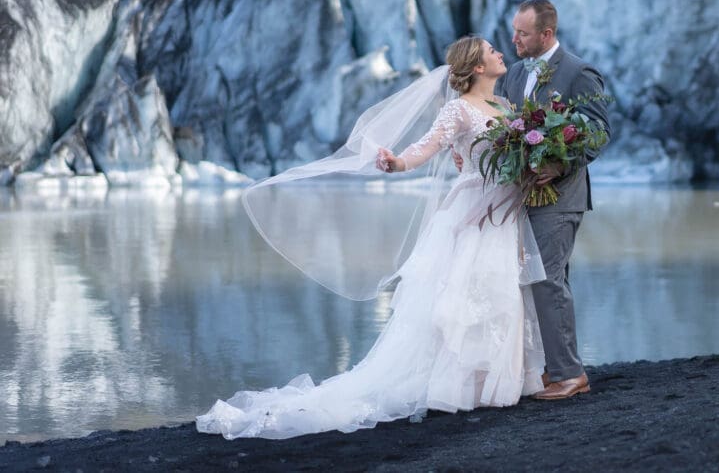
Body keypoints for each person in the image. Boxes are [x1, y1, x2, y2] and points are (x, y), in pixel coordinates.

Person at [196, 36, 547, 439]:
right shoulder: (458, 110)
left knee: (501, 291)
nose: (500, 52)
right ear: (478, 67)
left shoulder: (505, 107)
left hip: (506, 211)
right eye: (491, 51)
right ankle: (459, 385)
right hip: (472, 213)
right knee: (466, 297)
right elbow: (426, 147)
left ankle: (497, 381)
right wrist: (397, 163)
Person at [492, 0, 608, 400]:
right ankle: (552, 368)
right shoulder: (513, 75)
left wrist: (559, 167)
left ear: (546, 34)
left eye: (522, 33)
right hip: (523, 196)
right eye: (514, 31)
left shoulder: (578, 73)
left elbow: (598, 132)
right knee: (541, 282)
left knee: (547, 281)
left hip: (561, 195)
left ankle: (569, 375)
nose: (514, 39)